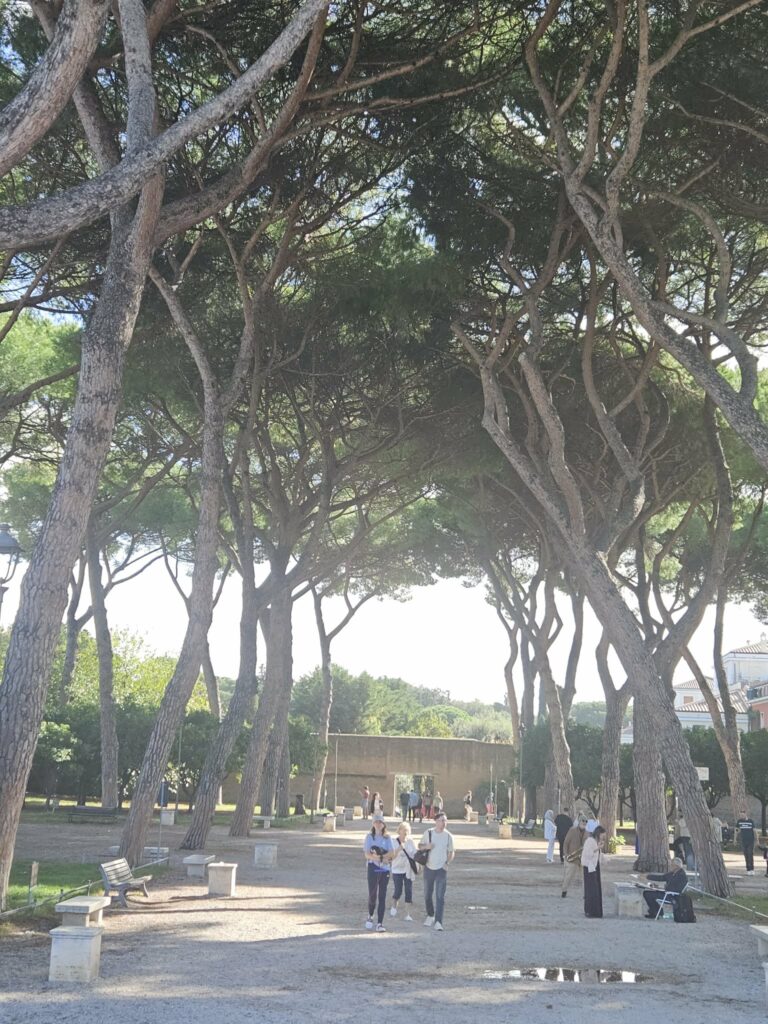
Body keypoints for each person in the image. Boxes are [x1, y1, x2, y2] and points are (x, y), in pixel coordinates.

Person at [419, 810, 455, 931]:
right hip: (429, 867)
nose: (444, 823)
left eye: (445, 820)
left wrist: (447, 863)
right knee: (427, 894)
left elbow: (451, 852)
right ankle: (430, 914)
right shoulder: (428, 833)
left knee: (440, 896)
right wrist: (426, 847)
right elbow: (419, 846)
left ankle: (439, 921)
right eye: (441, 820)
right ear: (436, 821)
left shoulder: (448, 836)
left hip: (441, 869)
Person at [363, 814, 396, 931]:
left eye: (380, 822)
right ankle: (370, 915)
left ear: (383, 824)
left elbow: (392, 853)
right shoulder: (369, 837)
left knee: (382, 896)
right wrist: (380, 859)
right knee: (373, 894)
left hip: (384, 869)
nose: (378, 824)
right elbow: (367, 854)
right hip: (373, 868)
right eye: (376, 822)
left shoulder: (388, 838)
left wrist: (380, 856)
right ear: (373, 824)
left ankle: (380, 923)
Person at [390, 821, 417, 921]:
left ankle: (408, 913)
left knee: (408, 890)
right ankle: (394, 905)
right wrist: (398, 849)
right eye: (403, 830)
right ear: (399, 831)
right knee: (398, 890)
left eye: (407, 830)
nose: (405, 832)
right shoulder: (394, 842)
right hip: (397, 869)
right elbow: (391, 857)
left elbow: (415, 854)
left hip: (408, 870)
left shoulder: (410, 842)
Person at [581, 824, 606, 918]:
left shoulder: (596, 841)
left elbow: (598, 854)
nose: (603, 837)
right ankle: (590, 911)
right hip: (588, 867)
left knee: (596, 889)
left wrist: (604, 859)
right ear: (598, 834)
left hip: (595, 866)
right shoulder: (590, 841)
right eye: (602, 835)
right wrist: (597, 848)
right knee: (591, 889)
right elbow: (588, 854)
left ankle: (596, 911)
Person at [561, 814, 588, 897]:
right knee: (568, 876)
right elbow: (566, 843)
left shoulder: (587, 833)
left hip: (583, 859)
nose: (584, 823)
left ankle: (586, 894)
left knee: (585, 878)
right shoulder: (572, 831)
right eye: (582, 821)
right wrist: (566, 854)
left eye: (586, 821)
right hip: (572, 858)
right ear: (579, 822)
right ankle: (564, 891)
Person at [736, 808, 756, 875]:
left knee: (750, 854)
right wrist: (735, 839)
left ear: (745, 814)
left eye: (742, 815)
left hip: (750, 840)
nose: (741, 816)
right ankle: (748, 869)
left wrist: (757, 839)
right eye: (740, 815)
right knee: (746, 855)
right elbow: (737, 831)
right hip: (743, 840)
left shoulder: (750, 821)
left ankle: (752, 869)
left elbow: (754, 830)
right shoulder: (739, 821)